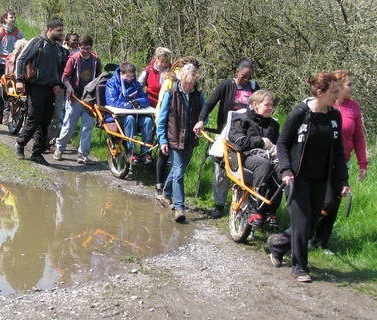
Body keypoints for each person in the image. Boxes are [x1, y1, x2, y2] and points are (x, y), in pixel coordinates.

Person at [268, 72, 350, 283]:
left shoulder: (334, 116)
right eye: (334, 91)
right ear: (320, 93)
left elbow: (339, 150)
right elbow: (282, 144)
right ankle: (299, 268)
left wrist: (342, 180)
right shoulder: (299, 113)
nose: (338, 95)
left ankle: (277, 246)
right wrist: (286, 171)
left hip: (321, 178)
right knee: (302, 223)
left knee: (310, 225)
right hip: (296, 178)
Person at [193, 59, 260, 218]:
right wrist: (201, 119)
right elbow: (210, 103)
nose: (245, 80)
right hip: (226, 131)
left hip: (247, 134)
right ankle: (219, 204)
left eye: (248, 77)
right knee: (222, 168)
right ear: (237, 72)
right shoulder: (226, 85)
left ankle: (243, 204)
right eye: (243, 76)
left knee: (245, 168)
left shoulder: (254, 88)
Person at [312, 70, 368, 252]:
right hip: (322, 161)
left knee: (334, 201)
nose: (353, 88)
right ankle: (305, 234)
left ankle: (322, 242)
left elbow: (358, 136)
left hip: (343, 161)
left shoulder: (354, 107)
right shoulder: (326, 105)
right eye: (349, 84)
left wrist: (362, 164)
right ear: (339, 86)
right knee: (323, 200)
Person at [14, 19, 68, 165]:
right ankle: (20, 144)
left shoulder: (57, 48)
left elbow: (58, 69)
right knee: (34, 117)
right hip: (35, 87)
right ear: (50, 30)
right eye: (59, 30)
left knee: (46, 121)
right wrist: (19, 80)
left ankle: (37, 153)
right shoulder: (38, 42)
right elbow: (21, 59)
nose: (61, 33)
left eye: (62, 30)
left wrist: (58, 85)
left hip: (50, 89)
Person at [156, 63, 205, 223]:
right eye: (186, 83)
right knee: (178, 173)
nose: (188, 86)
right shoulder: (171, 94)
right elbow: (162, 119)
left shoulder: (198, 95)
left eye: (191, 83)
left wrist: (202, 123)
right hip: (174, 139)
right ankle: (179, 208)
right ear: (180, 79)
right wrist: (162, 140)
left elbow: (204, 115)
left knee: (178, 170)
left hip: (191, 140)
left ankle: (165, 193)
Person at [228, 90, 281, 229]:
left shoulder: (273, 125)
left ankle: (271, 210)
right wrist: (261, 142)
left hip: (268, 157)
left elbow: (279, 144)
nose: (270, 108)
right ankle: (255, 209)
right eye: (267, 105)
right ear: (255, 105)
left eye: (271, 105)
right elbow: (238, 140)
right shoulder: (241, 119)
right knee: (264, 165)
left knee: (282, 169)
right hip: (244, 156)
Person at [53, 35, 102, 165]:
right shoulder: (73, 59)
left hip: (90, 99)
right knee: (69, 126)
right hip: (75, 97)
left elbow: (99, 78)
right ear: (79, 47)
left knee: (87, 127)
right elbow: (65, 77)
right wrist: (69, 87)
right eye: (83, 48)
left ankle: (82, 154)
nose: (85, 50)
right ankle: (59, 147)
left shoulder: (96, 60)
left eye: (88, 48)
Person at [105, 61, 154, 164]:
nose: (130, 79)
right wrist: (129, 105)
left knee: (148, 120)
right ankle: (130, 150)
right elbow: (112, 101)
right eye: (127, 76)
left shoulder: (135, 84)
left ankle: (145, 151)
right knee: (130, 119)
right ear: (121, 74)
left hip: (137, 114)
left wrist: (138, 102)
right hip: (118, 116)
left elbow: (145, 99)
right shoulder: (112, 83)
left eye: (132, 76)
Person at [0, 10, 24, 124]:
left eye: (14, 17)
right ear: (5, 19)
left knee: (10, 90)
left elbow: (22, 49)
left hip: (12, 66)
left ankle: (7, 115)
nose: (13, 19)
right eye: (11, 17)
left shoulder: (19, 33)